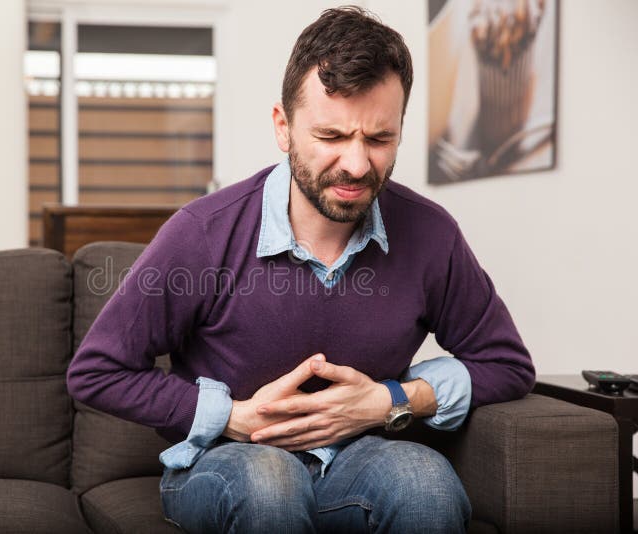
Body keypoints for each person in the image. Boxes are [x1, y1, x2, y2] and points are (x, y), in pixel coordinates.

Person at [67, 6, 535, 533]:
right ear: (283, 128)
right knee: (269, 485)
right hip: (225, 463)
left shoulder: (431, 235)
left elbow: (507, 364)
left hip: (359, 459)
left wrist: (390, 400)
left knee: (427, 484)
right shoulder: (202, 232)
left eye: (379, 139)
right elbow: (96, 372)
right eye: (332, 137)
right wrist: (232, 417)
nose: (357, 165)